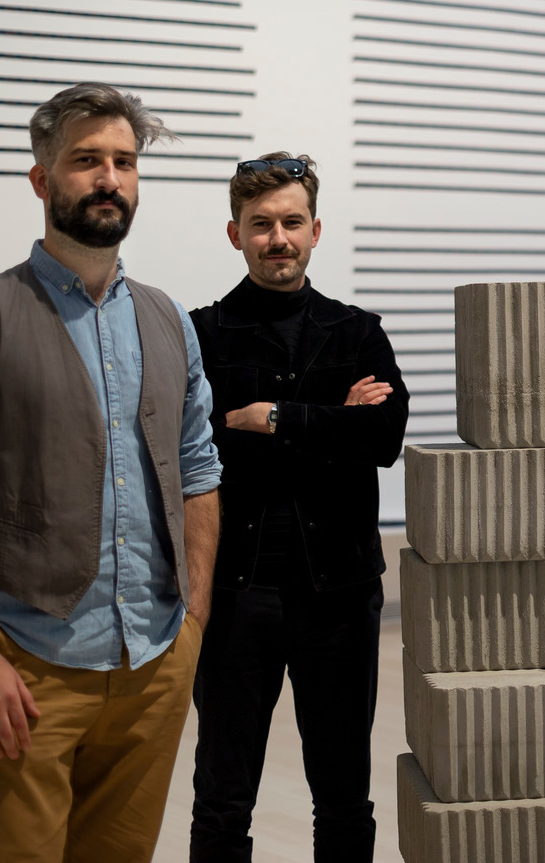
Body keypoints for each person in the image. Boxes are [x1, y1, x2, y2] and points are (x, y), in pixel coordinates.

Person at [0, 82, 223, 862]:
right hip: (29, 668)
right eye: (86, 160)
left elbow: (198, 470)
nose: (109, 178)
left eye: (124, 162)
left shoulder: (169, 320)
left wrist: (194, 621)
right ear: (42, 180)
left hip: (154, 663)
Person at [188, 153, 409, 862]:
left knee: (343, 798)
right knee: (222, 799)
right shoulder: (200, 335)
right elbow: (194, 447)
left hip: (338, 593)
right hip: (233, 593)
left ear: (315, 231)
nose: (277, 239)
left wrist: (273, 417)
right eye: (261, 225)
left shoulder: (358, 332)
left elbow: (384, 437)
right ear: (235, 234)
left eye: (291, 222)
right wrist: (330, 420)